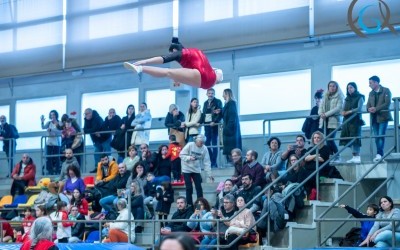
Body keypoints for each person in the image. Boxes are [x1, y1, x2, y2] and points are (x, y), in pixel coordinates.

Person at [124, 37, 223, 89]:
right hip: (212, 78)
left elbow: (163, 59)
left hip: (201, 77)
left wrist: (144, 61)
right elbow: (204, 65)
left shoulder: (179, 54)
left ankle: (140, 68)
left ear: (174, 50)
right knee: (216, 71)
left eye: (172, 53)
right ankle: (219, 75)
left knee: (168, 72)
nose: (172, 55)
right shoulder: (195, 51)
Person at [180, 134, 213, 206]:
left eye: (203, 142)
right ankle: (189, 204)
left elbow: (207, 162)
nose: (202, 144)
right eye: (200, 142)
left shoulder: (204, 148)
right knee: (189, 187)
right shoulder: (190, 145)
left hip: (196, 169)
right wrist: (189, 158)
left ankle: (200, 203)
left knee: (199, 187)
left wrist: (209, 174)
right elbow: (181, 155)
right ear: (196, 141)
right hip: (186, 168)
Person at [366, 75, 393, 162]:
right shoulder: (371, 93)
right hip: (374, 118)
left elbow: (387, 103)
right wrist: (368, 109)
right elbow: (368, 104)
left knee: (381, 135)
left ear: (376, 82)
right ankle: (379, 154)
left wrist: (376, 109)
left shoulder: (386, 90)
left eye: (370, 83)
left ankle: (379, 154)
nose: (369, 85)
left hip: (383, 117)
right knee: (377, 136)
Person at [339, 82, 365, 163]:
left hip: (355, 121)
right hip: (347, 121)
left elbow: (359, 108)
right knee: (348, 138)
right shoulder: (346, 98)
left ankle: (357, 156)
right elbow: (342, 108)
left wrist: (349, 112)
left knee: (355, 138)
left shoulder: (360, 97)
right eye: (348, 88)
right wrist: (342, 112)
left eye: (351, 87)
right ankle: (354, 156)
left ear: (355, 88)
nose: (349, 89)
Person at [318, 81, 344, 162]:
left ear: (336, 87)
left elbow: (338, 108)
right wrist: (321, 114)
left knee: (330, 139)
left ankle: (337, 155)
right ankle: (332, 156)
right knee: (326, 140)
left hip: (333, 121)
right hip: (324, 121)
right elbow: (320, 107)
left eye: (333, 86)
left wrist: (326, 114)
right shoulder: (325, 96)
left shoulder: (339, 96)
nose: (332, 88)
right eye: (330, 86)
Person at [216, 88, 242, 163]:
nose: (222, 96)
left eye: (223, 94)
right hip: (229, 130)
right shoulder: (227, 104)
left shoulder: (231, 103)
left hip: (231, 131)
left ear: (227, 94)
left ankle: (234, 165)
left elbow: (232, 117)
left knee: (232, 150)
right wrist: (220, 111)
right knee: (229, 150)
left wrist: (227, 129)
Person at [304, 131, 331, 199]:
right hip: (309, 169)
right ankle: (309, 195)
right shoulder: (310, 149)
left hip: (320, 169)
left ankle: (314, 194)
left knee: (313, 176)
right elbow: (306, 158)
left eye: (318, 137)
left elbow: (322, 159)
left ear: (321, 139)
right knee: (303, 175)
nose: (316, 139)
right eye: (314, 138)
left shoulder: (325, 148)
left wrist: (311, 157)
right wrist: (316, 155)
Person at [203, 88, 223, 168]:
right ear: (207, 94)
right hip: (207, 126)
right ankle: (212, 160)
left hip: (214, 126)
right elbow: (204, 114)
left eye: (212, 93)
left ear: (214, 94)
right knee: (207, 143)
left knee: (214, 144)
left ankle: (214, 162)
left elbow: (220, 113)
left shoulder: (218, 101)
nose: (210, 95)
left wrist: (215, 121)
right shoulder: (205, 103)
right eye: (209, 93)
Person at [83, 108, 107, 173]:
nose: (85, 115)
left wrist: (91, 130)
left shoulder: (97, 118)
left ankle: (107, 168)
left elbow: (95, 128)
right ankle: (97, 168)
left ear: (91, 113)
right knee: (96, 153)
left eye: (87, 114)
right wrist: (93, 131)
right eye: (85, 114)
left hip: (105, 137)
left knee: (107, 153)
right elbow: (85, 130)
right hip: (96, 139)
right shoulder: (86, 119)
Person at [41, 110, 62, 175]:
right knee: (48, 157)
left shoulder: (59, 122)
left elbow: (60, 131)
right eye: (51, 115)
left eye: (53, 115)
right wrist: (42, 122)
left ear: (56, 115)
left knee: (57, 157)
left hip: (56, 142)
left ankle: (57, 170)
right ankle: (49, 170)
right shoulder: (49, 123)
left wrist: (52, 130)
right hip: (49, 142)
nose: (52, 116)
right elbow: (43, 127)